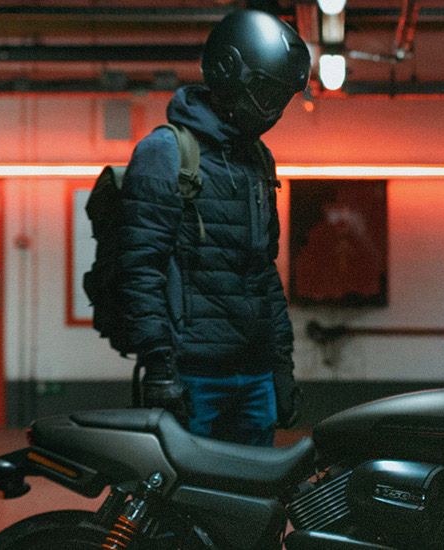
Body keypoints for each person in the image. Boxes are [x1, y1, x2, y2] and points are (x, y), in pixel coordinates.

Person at [107, 9, 308, 447]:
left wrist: (281, 367)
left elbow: (264, 273)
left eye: (281, 97)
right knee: (186, 490)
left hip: (254, 373)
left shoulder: (258, 160)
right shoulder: (165, 153)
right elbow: (140, 270)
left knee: (254, 490)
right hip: (192, 374)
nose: (273, 108)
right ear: (228, 74)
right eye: (265, 92)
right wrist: (159, 368)